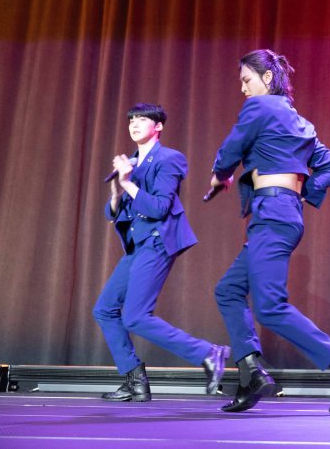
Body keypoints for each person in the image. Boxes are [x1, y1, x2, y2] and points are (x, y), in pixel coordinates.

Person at [210, 49, 330, 414]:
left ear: (267, 78)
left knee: (270, 307)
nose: (243, 89)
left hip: (273, 214)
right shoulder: (301, 123)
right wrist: (296, 193)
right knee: (228, 290)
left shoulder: (259, 108)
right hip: (281, 213)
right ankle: (251, 373)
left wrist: (221, 174)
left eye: (247, 80)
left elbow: (230, 149)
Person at [93, 103, 229, 402]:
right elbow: (113, 213)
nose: (134, 124)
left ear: (158, 127)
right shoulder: (131, 162)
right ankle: (135, 381)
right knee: (104, 309)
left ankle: (208, 353)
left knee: (135, 317)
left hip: (157, 240)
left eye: (142, 119)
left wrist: (127, 183)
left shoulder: (170, 158)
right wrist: (117, 192)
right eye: (131, 119)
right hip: (137, 244)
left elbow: (158, 208)